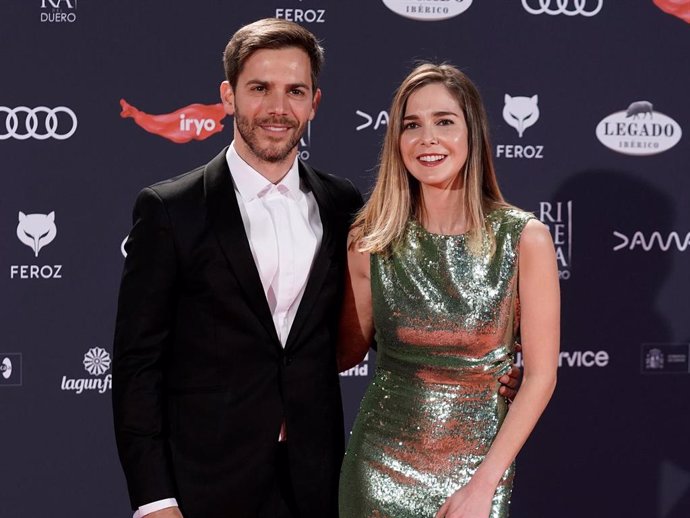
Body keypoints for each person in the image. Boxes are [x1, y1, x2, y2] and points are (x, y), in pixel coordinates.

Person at [112, 19, 522, 518]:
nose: (277, 108)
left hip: (320, 481)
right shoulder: (171, 209)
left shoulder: (343, 205)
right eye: (259, 88)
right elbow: (137, 367)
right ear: (228, 95)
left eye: (295, 91)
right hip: (203, 485)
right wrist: (155, 500)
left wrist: (482, 370)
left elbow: (383, 326)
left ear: (315, 103)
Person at [337, 64, 560, 518]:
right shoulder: (371, 240)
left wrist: (483, 486)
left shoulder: (524, 239)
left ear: (472, 132)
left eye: (444, 121)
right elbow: (343, 352)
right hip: (377, 466)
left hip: (479, 471)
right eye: (411, 125)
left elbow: (539, 375)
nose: (427, 139)